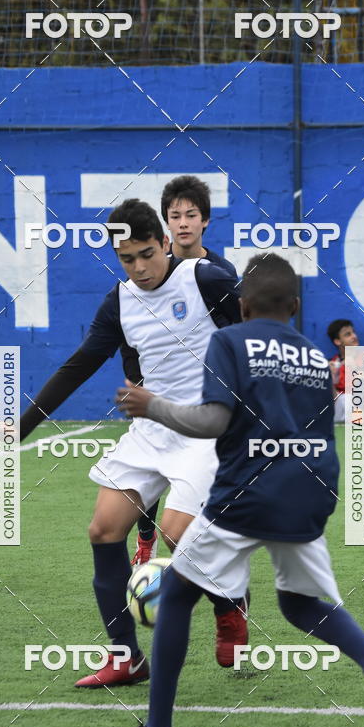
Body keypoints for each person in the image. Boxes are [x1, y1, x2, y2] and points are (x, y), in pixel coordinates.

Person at [100, 254, 364, 727]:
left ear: (242, 305)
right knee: (300, 603)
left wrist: (151, 405)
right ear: (295, 306)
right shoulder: (314, 357)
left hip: (248, 492)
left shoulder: (229, 341)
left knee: (174, 595)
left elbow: (213, 420)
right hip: (310, 491)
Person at [19, 198, 249, 686]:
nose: (140, 267)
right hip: (150, 428)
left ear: (165, 242)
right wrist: (20, 427)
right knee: (103, 530)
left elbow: (256, 334)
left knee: (175, 535)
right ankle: (126, 658)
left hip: (206, 430)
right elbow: (79, 366)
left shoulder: (206, 280)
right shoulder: (120, 302)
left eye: (147, 254)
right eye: (127, 259)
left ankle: (230, 601)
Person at [129, 175, 237, 564]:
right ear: (166, 223)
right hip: (158, 388)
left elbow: (235, 331)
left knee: (200, 475)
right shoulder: (152, 267)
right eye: (175, 216)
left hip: (206, 395)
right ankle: (146, 540)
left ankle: (203, 546)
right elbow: (132, 325)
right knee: (147, 472)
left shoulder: (220, 271)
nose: (184, 223)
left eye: (191, 215)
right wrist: (137, 378)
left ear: (205, 220)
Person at [326, 318, 360, 423]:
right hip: (341, 405)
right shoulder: (334, 361)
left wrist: (353, 367)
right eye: (348, 334)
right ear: (337, 341)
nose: (354, 336)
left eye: (353, 332)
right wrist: (330, 376)